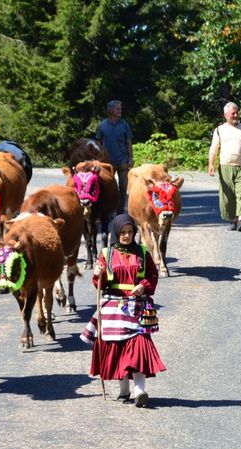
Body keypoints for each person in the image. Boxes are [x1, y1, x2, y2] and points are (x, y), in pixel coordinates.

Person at [80, 214, 164, 408]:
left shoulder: (143, 252)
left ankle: (140, 391)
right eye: (123, 232)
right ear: (116, 233)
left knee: (138, 345)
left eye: (130, 232)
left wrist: (143, 285)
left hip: (137, 306)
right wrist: (97, 274)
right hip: (113, 308)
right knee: (117, 349)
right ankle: (124, 390)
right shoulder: (106, 253)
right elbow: (99, 285)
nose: (126, 236)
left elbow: (152, 275)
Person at [208, 102, 241, 232]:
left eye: (237, 112)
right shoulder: (220, 130)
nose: (236, 115)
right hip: (225, 166)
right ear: (225, 115)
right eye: (233, 113)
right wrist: (211, 164)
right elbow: (213, 149)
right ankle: (233, 220)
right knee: (228, 196)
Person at [95, 100, 133, 214]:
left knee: (123, 187)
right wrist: (98, 159)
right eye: (118, 108)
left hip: (122, 160)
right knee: (108, 187)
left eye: (120, 108)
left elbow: (129, 142)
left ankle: (120, 211)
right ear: (111, 111)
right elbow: (98, 144)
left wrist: (131, 158)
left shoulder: (125, 125)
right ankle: (108, 210)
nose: (120, 110)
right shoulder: (102, 126)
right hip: (107, 162)